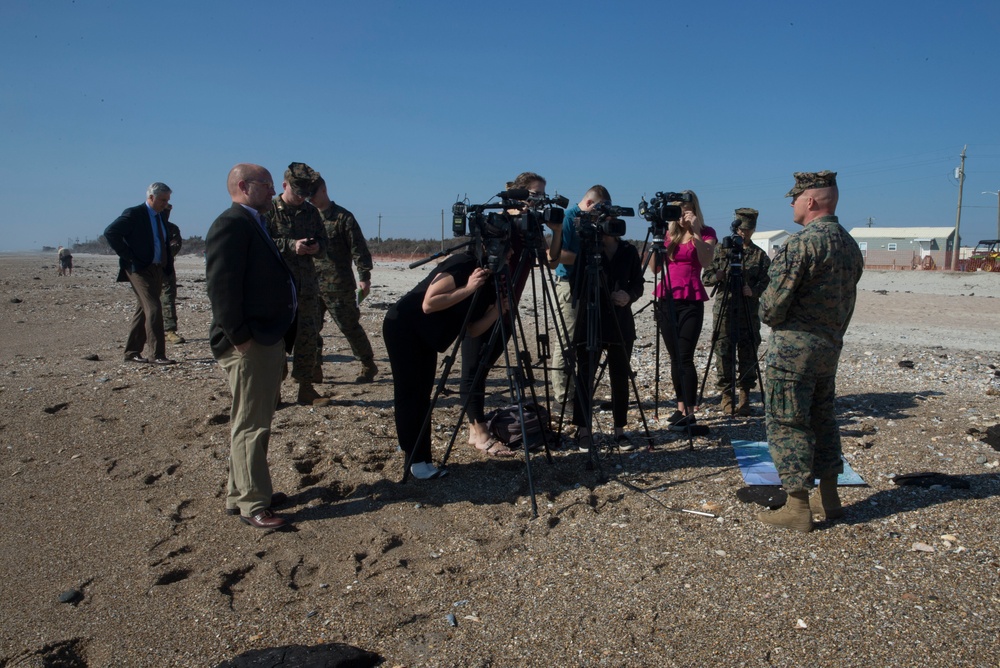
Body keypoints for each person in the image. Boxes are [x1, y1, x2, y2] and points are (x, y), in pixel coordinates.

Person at [757, 171, 864, 533]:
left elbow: (772, 307)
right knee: (823, 418)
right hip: (829, 348)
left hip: (794, 351)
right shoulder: (848, 244)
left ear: (812, 201)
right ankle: (829, 498)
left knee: (788, 422)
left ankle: (797, 506)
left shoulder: (802, 244)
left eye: (796, 198)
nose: (791, 204)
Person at [206, 163, 298, 529]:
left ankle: (240, 491)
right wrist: (241, 338)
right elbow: (222, 288)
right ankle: (253, 503)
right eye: (266, 184)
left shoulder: (253, 222)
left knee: (251, 420)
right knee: (251, 425)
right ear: (244, 186)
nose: (274, 191)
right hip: (250, 342)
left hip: (265, 338)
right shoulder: (231, 223)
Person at [460, 172, 563, 456]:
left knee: (484, 366)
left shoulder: (529, 229)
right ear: (519, 196)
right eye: (535, 195)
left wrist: (557, 231)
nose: (540, 201)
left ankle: (475, 427)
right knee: (473, 367)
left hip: (508, 309)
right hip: (484, 306)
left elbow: (551, 262)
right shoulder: (499, 223)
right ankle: (479, 431)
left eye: (542, 196)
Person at [383, 242, 502, 478]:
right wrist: (469, 288)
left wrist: (496, 311)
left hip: (426, 337)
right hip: (405, 328)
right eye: (508, 249)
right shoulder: (463, 265)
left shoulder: (489, 281)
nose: (509, 255)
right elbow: (429, 303)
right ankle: (416, 461)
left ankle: (418, 456)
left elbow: (473, 330)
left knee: (422, 395)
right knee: (411, 394)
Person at [571, 229, 644, 451]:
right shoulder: (586, 249)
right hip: (591, 319)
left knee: (620, 376)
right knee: (585, 374)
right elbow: (575, 285)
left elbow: (638, 284)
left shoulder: (629, 250)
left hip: (620, 320)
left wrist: (628, 296)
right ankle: (583, 430)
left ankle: (620, 430)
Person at [650, 191, 717, 431]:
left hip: (691, 299)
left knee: (685, 356)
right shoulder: (669, 235)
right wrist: (658, 240)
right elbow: (655, 268)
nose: (682, 216)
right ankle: (680, 408)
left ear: (695, 210)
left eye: (686, 210)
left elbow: (707, 260)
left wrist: (696, 231)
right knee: (674, 357)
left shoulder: (707, 232)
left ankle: (690, 411)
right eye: (679, 211)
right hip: (666, 297)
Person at [265, 163, 329, 406]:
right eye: (297, 192)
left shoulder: (311, 213)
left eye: (306, 193)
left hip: (308, 287)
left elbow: (325, 244)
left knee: (308, 337)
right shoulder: (269, 210)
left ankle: (305, 387)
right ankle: (274, 391)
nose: (302, 197)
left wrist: (317, 247)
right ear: (284, 186)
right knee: (277, 339)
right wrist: (291, 245)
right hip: (279, 287)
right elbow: (263, 242)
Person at [702, 208, 770, 415]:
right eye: (741, 229)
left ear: (754, 229)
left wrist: (754, 290)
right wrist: (718, 276)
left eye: (748, 230)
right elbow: (706, 278)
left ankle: (745, 396)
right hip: (725, 309)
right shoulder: (723, 250)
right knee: (723, 351)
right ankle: (726, 395)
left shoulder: (759, 255)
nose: (744, 233)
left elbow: (769, 282)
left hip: (748, 312)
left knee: (748, 351)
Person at [310, 177, 379, 383]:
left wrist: (364, 277)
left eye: (313, 194)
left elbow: (359, 250)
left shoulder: (343, 217)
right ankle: (315, 368)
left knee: (349, 326)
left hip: (339, 285)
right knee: (310, 328)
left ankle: (368, 364)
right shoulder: (307, 218)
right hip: (312, 284)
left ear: (324, 190)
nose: (310, 199)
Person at [549, 185, 611, 407]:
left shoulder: (592, 221)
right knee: (567, 341)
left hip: (588, 284)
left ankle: (578, 394)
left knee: (585, 340)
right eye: (598, 210)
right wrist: (586, 258)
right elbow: (556, 255)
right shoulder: (568, 218)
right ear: (589, 204)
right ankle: (563, 397)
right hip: (569, 284)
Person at [103, 182, 177, 365]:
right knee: (154, 307)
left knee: (143, 309)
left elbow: (163, 241)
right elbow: (111, 232)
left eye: (168, 200)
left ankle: (132, 352)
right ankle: (157, 354)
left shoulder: (161, 216)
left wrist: (167, 266)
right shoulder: (134, 213)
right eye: (162, 200)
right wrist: (129, 256)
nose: (165, 203)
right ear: (151, 197)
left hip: (157, 267)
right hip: (138, 269)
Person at [159, 203, 186, 344]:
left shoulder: (172, 229)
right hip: (149, 270)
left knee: (168, 299)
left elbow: (175, 246)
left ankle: (169, 330)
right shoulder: (149, 227)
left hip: (166, 269)